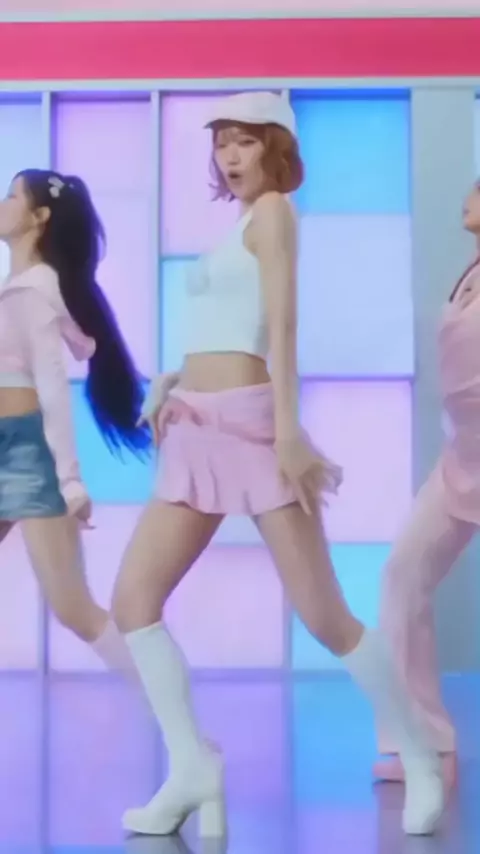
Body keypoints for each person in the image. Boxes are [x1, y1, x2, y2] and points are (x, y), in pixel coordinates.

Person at [111, 91, 444, 839]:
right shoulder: (235, 227)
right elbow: (225, 326)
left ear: (275, 147)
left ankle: (419, 752)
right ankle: (192, 766)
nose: (229, 156)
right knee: (133, 601)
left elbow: (283, 326)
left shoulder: (273, 214)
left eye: (245, 141)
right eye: (221, 142)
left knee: (324, 615)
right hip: (195, 428)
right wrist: (172, 379)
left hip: (253, 428)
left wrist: (289, 431)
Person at [0, 168, 149, 672]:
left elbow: (51, 389)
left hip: (27, 456)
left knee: (74, 609)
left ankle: (165, 704)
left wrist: (68, 480)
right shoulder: (16, 286)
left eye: (11, 196)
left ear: (38, 217)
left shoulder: (35, 290)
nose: (1, 203)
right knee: (74, 609)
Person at [373, 181, 480, 784]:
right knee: (403, 573)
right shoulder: (470, 272)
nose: (470, 195)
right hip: (464, 455)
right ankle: (423, 743)